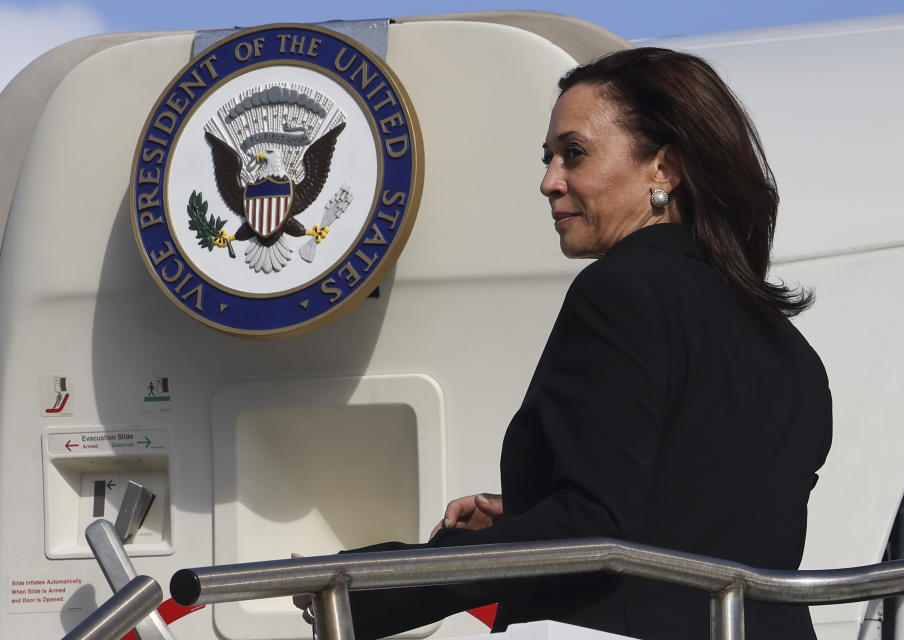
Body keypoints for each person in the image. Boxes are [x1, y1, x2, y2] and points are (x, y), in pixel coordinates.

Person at [294, 46, 832, 640]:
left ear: (664, 168)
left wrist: (367, 580)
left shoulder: (621, 291)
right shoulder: (781, 335)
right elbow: (701, 504)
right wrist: (527, 509)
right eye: (549, 158)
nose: (549, 182)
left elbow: (594, 532)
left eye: (573, 154)